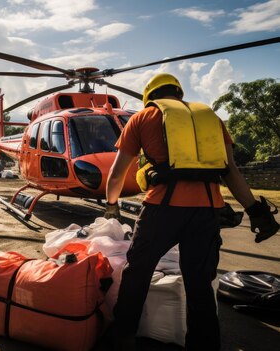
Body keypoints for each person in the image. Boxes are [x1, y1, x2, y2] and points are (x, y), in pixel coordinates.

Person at [104, 73, 280, 350]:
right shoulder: (211, 119)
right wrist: (255, 210)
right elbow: (230, 171)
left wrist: (112, 204)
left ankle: (123, 337)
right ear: (179, 95)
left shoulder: (143, 117)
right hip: (207, 210)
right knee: (199, 283)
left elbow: (116, 174)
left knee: (137, 272)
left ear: (151, 97)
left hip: (162, 208)